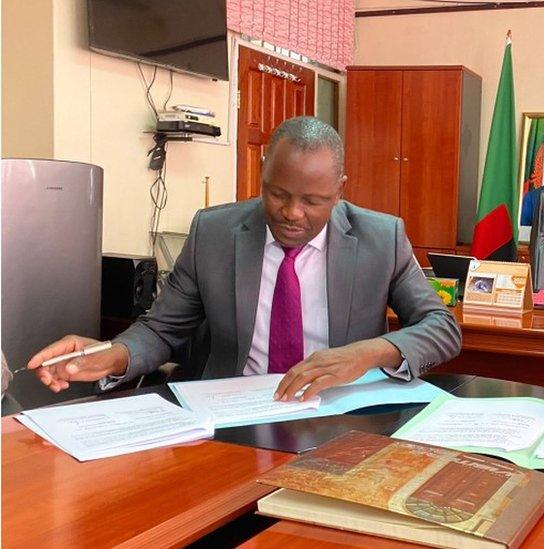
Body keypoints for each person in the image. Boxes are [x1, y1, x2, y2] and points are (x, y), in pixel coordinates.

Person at [28, 116, 462, 401]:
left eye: (313, 201)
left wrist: (367, 354)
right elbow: (163, 330)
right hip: (229, 411)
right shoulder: (214, 232)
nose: (293, 213)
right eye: (278, 194)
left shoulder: (380, 237)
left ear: (340, 190)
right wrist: (112, 354)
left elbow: (441, 327)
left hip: (336, 415)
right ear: (263, 173)